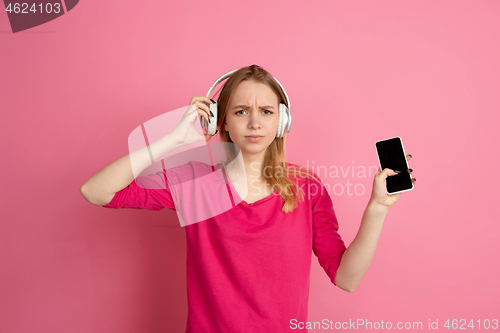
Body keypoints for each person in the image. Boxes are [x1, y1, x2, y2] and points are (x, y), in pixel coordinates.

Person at [80, 64, 416, 332]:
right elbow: (96, 191)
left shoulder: (307, 187)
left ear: (282, 121)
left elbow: (346, 278)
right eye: (241, 111)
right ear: (219, 119)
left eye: (267, 112)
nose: (255, 122)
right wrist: (175, 139)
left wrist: (377, 209)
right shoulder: (194, 181)